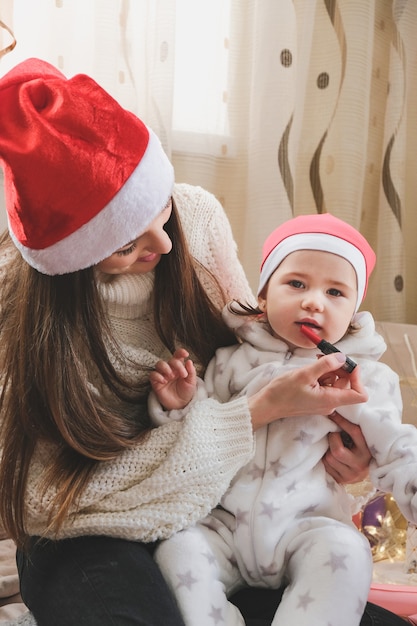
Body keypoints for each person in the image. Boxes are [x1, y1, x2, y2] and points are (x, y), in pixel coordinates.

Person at [0, 57, 402, 626]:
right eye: (124, 244)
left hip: (220, 519)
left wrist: (343, 446)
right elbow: (44, 503)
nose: (164, 245)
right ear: (72, 259)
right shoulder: (17, 304)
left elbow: (259, 343)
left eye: (158, 207)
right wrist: (253, 415)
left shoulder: (196, 218)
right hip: (89, 533)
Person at [150, 214, 417, 626]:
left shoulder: (358, 376)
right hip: (222, 526)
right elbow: (199, 431)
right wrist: (181, 402)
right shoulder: (230, 361)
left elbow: (395, 446)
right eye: (296, 284)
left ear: (353, 313)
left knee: (346, 552)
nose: (314, 301)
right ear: (262, 296)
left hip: (306, 528)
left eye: (335, 292)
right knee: (177, 549)